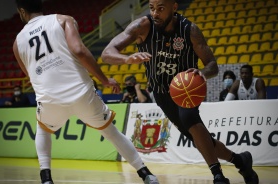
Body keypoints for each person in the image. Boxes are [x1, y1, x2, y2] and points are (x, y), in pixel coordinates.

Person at [101, 0, 259, 183]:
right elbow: (107, 53)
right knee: (200, 139)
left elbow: (213, 65)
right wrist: (127, 59)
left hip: (187, 88)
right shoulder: (142, 26)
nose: (155, 13)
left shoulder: (190, 30)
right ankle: (240, 161)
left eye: (160, 8)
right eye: (152, 8)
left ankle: (218, 176)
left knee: (189, 119)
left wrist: (202, 73)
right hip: (161, 93)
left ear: (174, 8)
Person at [13, 0, 159, 184]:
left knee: (42, 130)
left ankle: (46, 178)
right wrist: (105, 80)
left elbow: (30, 76)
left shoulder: (17, 43)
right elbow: (79, 50)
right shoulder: (63, 20)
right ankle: (145, 173)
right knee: (111, 132)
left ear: (21, 11)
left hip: (49, 100)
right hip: (81, 93)